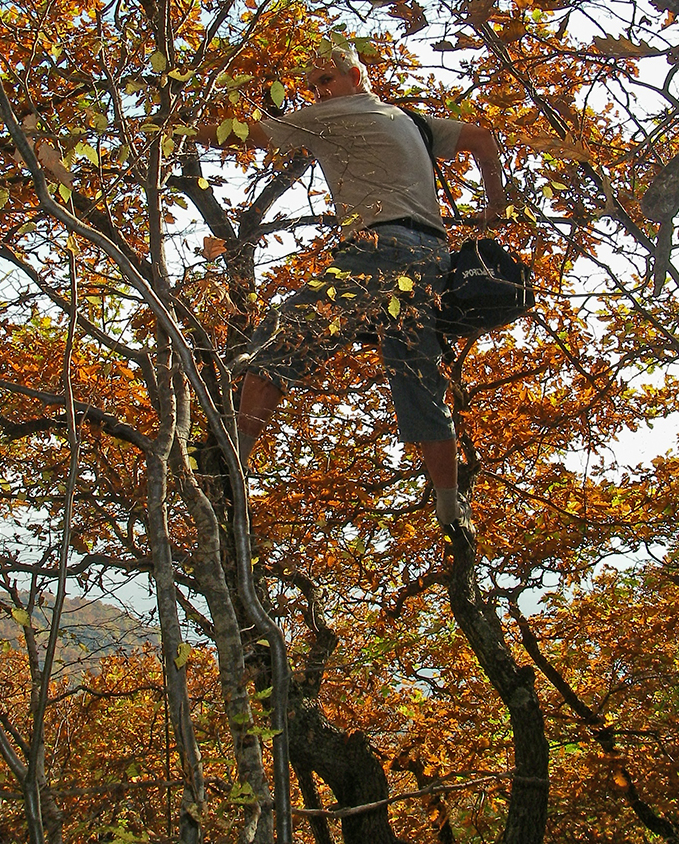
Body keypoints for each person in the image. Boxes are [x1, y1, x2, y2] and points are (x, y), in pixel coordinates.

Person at [205, 44, 505, 542]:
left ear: (356, 75)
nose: (321, 91)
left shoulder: (333, 114)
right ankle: (452, 510)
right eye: (315, 85)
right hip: (432, 259)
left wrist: (167, 128)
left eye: (327, 79)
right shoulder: (410, 120)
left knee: (278, 344)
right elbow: (483, 137)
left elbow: (248, 134)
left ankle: (228, 469)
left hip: (381, 248)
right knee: (417, 375)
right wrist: (496, 205)